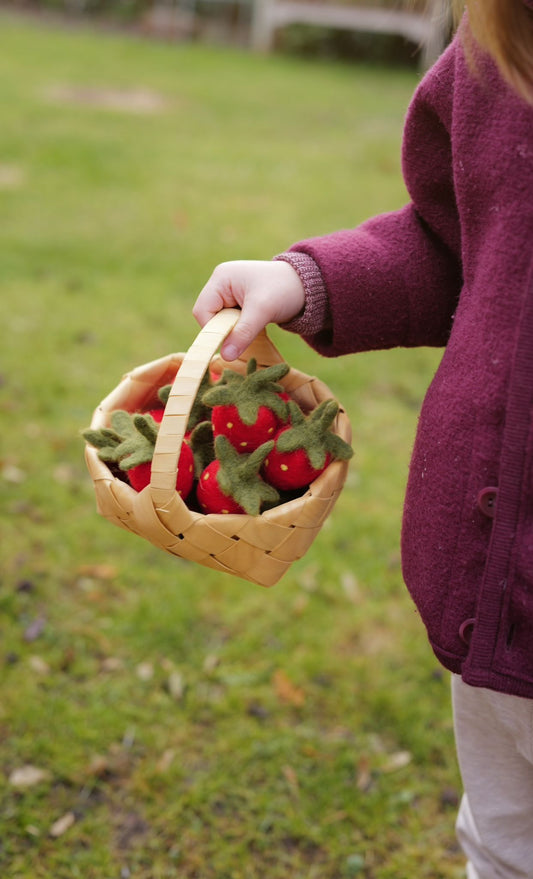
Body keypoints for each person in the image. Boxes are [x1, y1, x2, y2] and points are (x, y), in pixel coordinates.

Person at [192, 1, 533, 876]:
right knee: (500, 846)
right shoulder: (498, 48)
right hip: (490, 611)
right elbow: (450, 245)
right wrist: (304, 281)